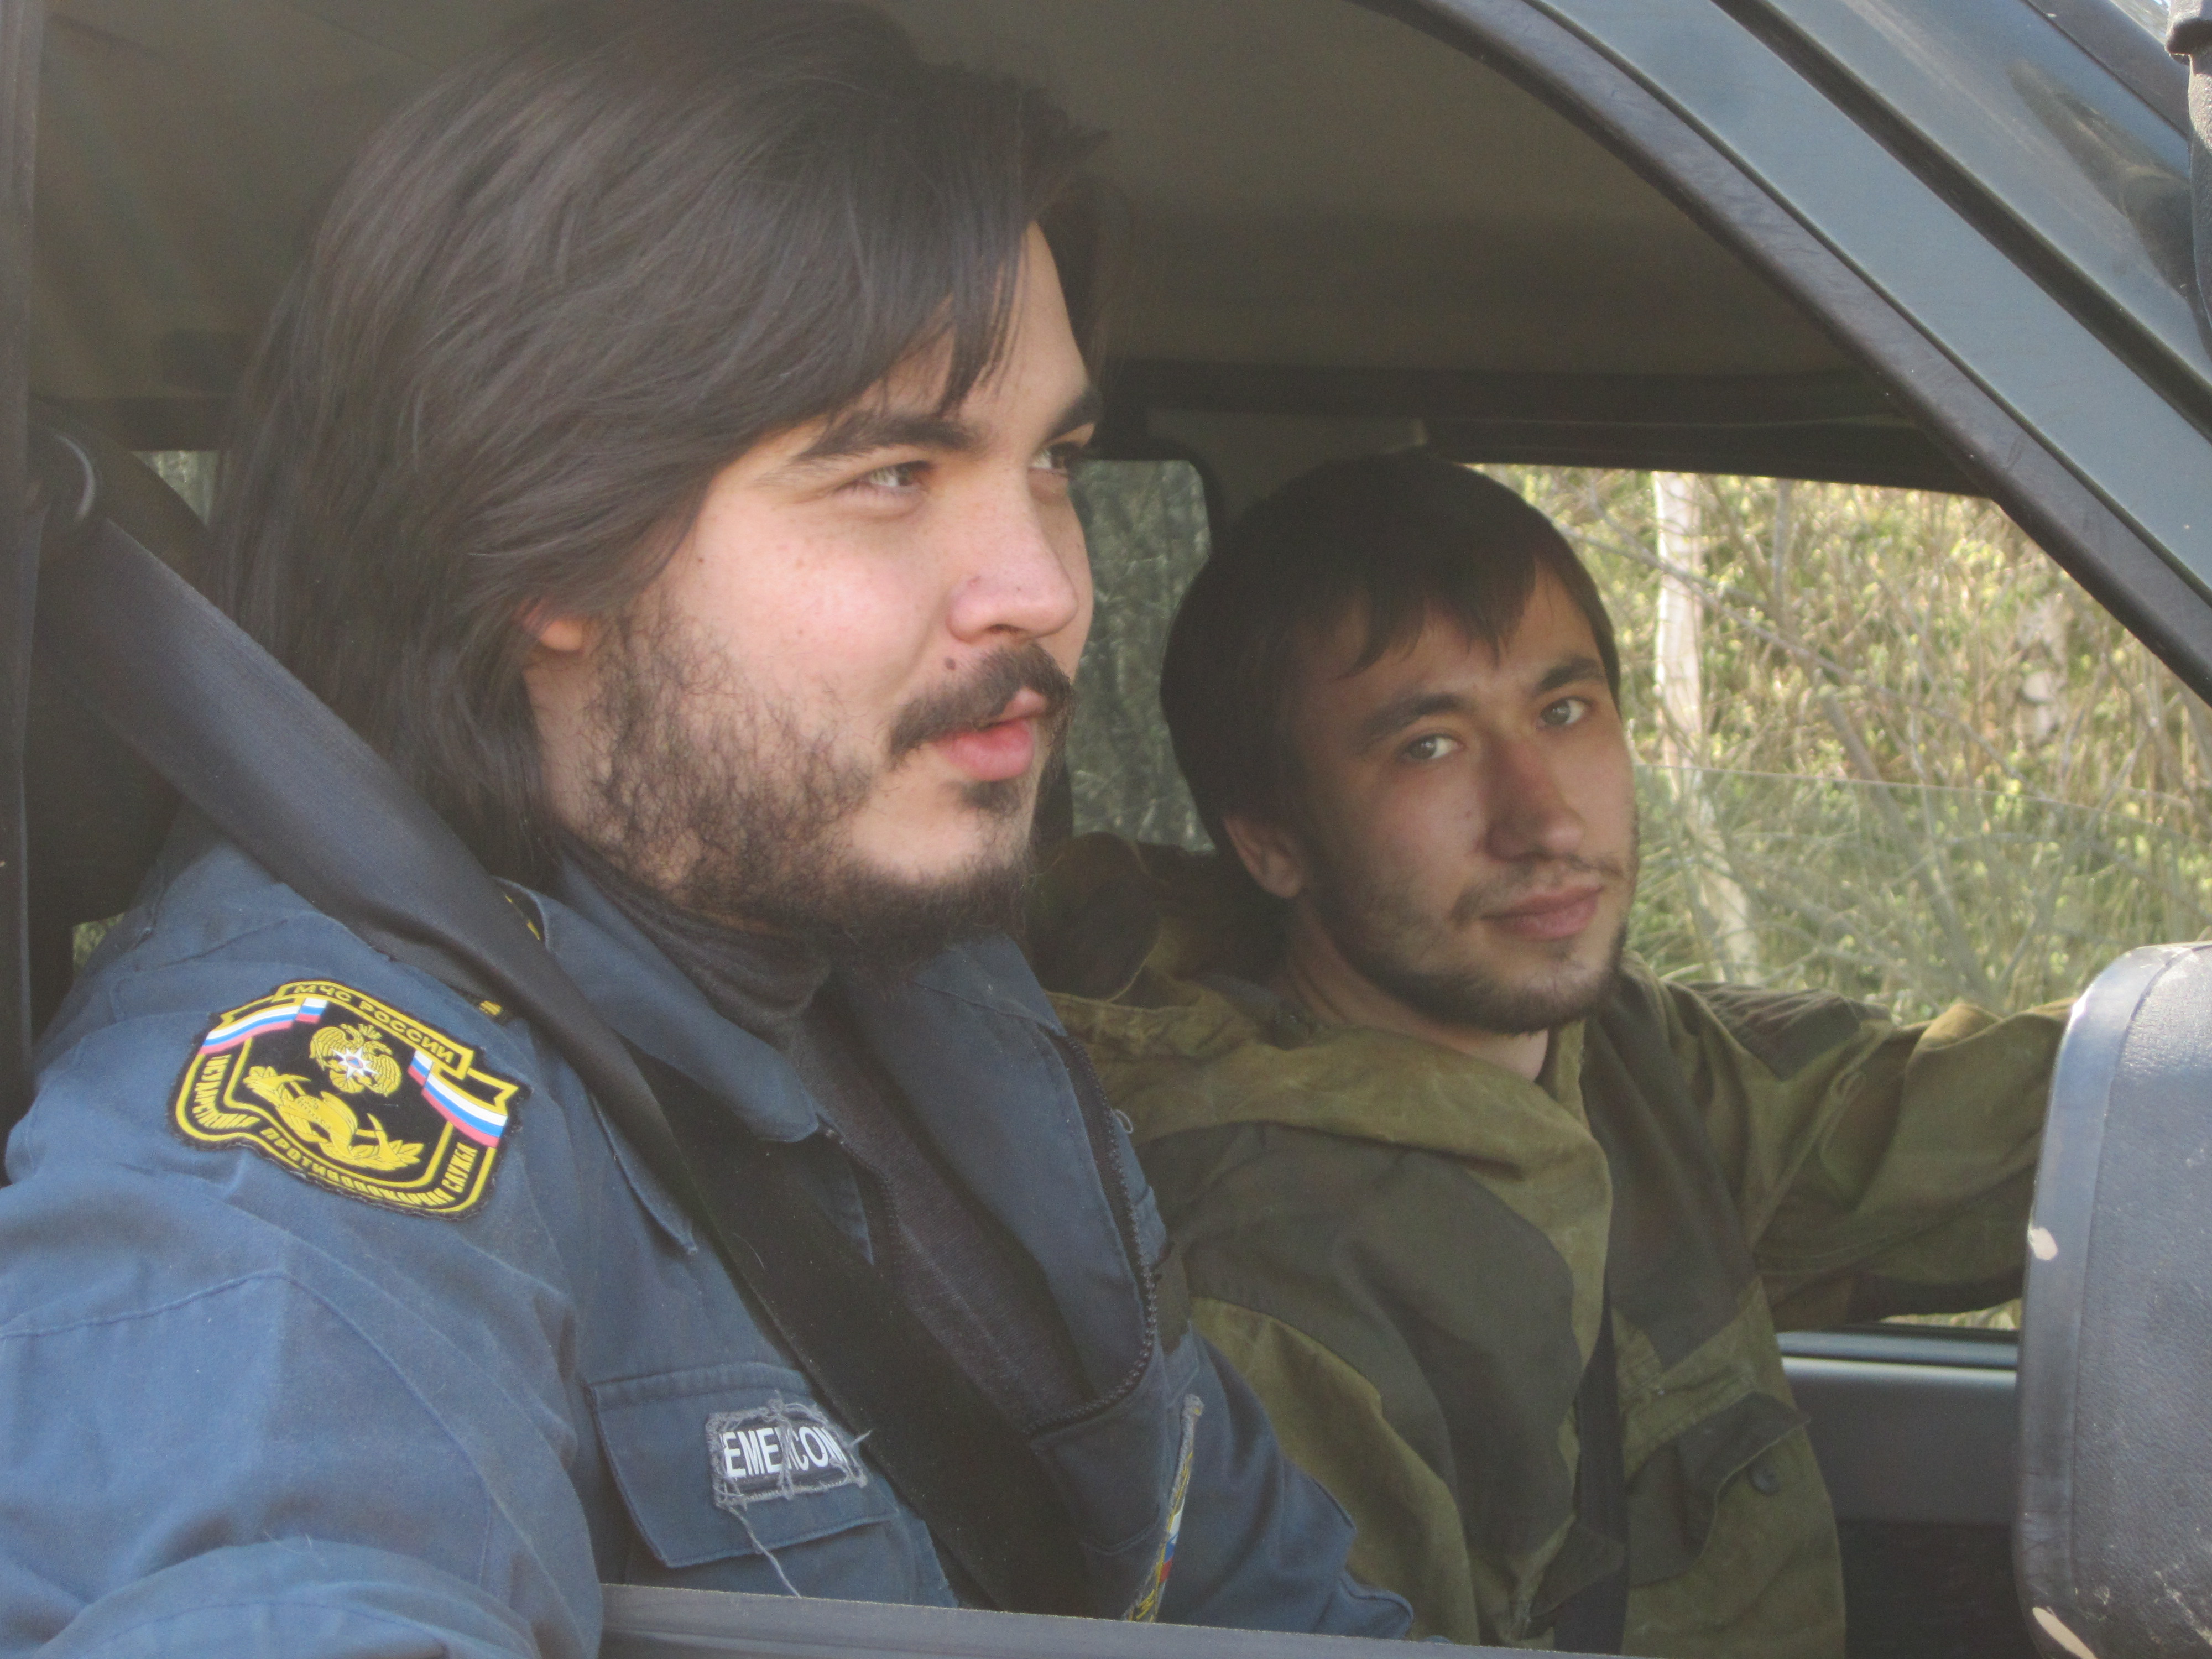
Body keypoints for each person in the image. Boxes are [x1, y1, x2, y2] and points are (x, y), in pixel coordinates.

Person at [0, 8, 1416, 1654]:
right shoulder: (315, 1116)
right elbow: (260, 1548)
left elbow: (1259, 1589)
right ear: (550, 547)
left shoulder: (921, 979)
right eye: (893, 473)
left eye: (1055, 464)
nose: (1044, 586)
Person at [1033, 452, 2062, 1657]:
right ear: (1271, 844)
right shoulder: (1265, 1278)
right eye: (1429, 746)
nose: (1544, 819)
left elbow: (1988, 1131)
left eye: (1563, 712)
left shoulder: (1614, 1053)